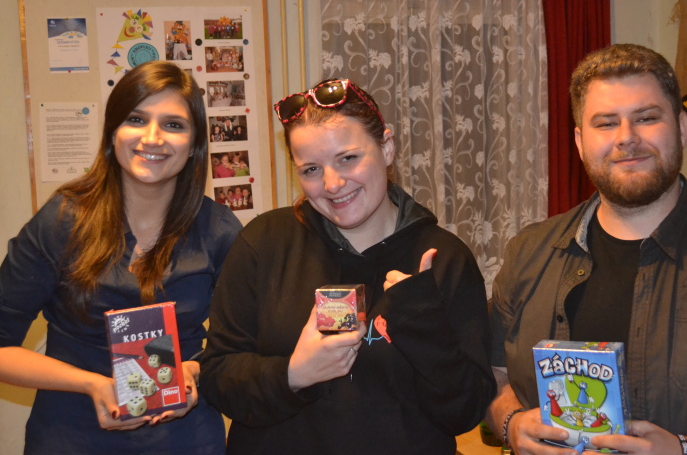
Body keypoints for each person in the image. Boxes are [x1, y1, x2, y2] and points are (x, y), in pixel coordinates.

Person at [200, 78, 496, 454]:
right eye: (311, 169)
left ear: (386, 147)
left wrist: (423, 327)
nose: (333, 184)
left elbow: (466, 412)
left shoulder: (443, 259)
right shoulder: (264, 243)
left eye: (348, 158)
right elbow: (218, 378)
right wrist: (295, 374)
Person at [486, 44, 687, 454]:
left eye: (646, 118)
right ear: (579, 142)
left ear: (681, 128)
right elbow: (491, 374)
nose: (627, 138)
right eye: (606, 123)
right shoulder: (527, 253)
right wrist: (510, 422)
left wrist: (686, 449)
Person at [0, 61, 242, 454]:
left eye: (173, 124)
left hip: (185, 439)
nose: (153, 138)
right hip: (71, 436)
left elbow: (242, 344)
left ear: (195, 143)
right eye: (136, 119)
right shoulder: (62, 220)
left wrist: (193, 370)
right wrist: (90, 384)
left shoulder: (219, 229)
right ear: (113, 132)